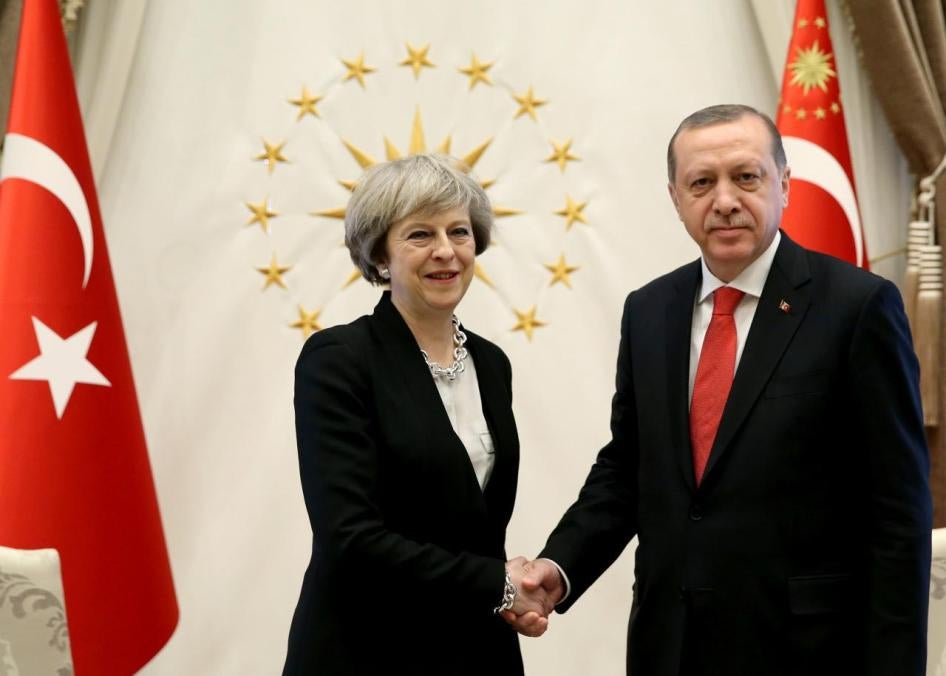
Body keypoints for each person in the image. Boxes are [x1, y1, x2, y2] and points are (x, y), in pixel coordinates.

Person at [504, 104, 933, 675]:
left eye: (746, 177)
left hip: (810, 650)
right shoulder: (650, 311)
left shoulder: (858, 308)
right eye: (701, 182)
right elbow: (628, 469)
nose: (725, 200)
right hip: (672, 645)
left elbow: (898, 512)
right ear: (675, 197)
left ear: (784, 183)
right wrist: (558, 567)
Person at [283, 154, 552, 675]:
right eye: (420, 235)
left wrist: (510, 588)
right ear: (380, 254)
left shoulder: (493, 363)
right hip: (366, 648)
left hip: (475, 649)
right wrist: (497, 584)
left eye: (459, 232)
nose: (446, 251)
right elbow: (349, 538)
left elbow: (473, 522)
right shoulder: (338, 360)